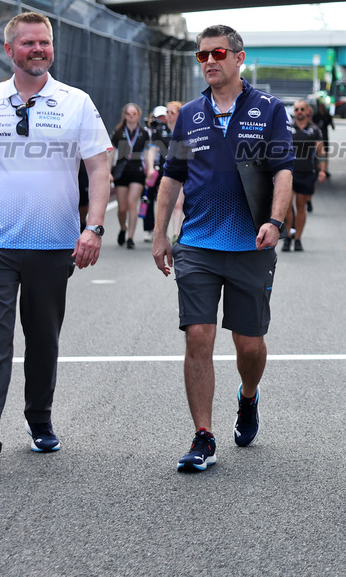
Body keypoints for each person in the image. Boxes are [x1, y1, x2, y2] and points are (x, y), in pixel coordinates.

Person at [0, 11, 111, 481]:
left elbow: (97, 169)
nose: (38, 49)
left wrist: (93, 228)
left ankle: (40, 419)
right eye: (28, 43)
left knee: (43, 341)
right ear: (10, 50)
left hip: (53, 246)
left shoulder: (76, 103)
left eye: (44, 42)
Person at [152, 25, 294, 473]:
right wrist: (159, 235)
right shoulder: (189, 114)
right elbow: (171, 178)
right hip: (196, 244)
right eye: (201, 56)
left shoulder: (269, 109)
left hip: (250, 244)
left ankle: (248, 397)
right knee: (198, 336)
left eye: (217, 53)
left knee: (248, 345)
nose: (209, 61)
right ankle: (203, 435)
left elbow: (283, 171)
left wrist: (274, 221)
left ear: (238, 58)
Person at [281, 99, 326, 252]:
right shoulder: (287, 129)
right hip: (289, 173)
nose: (299, 112)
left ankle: (298, 238)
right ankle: (287, 236)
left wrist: (322, 170)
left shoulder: (315, 130)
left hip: (307, 173)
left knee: (301, 206)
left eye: (301, 109)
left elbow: (321, 152)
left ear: (307, 111)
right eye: (296, 109)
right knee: (287, 206)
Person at [109, 103, 154, 250]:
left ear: (138, 115)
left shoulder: (144, 132)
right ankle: (123, 227)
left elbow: (148, 154)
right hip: (121, 171)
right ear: (125, 115)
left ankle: (130, 237)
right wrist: (108, 171)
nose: (131, 115)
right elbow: (111, 153)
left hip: (137, 171)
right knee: (122, 208)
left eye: (134, 113)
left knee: (131, 203)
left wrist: (149, 171)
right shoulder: (118, 132)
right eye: (129, 113)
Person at [143, 106, 172, 241]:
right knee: (148, 198)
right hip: (153, 169)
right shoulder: (149, 130)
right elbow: (151, 149)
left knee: (166, 200)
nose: (162, 119)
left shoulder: (173, 128)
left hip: (168, 169)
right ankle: (149, 228)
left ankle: (167, 230)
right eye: (159, 117)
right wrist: (149, 168)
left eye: (164, 116)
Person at [161, 101, 186, 241]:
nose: (168, 115)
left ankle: (176, 232)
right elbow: (152, 149)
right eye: (167, 112)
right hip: (164, 171)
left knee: (177, 203)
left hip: (180, 170)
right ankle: (161, 232)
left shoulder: (185, 129)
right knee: (165, 202)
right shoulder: (161, 130)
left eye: (172, 112)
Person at [310, 98, 335, 181]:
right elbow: (311, 124)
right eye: (321, 106)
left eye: (323, 106)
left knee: (325, 154)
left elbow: (333, 126)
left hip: (324, 137)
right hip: (316, 138)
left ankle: (324, 170)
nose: (322, 108)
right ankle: (317, 169)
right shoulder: (316, 115)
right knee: (316, 154)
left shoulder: (327, 116)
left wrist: (331, 122)